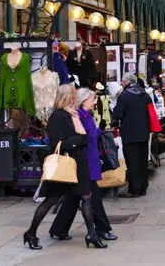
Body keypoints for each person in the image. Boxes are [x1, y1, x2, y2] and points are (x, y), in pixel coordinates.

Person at [23, 85, 106, 250]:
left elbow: (85, 136)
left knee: (86, 196)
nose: (75, 98)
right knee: (51, 200)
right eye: (72, 95)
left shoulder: (73, 114)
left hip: (79, 163)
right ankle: (31, 232)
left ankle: (92, 235)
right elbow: (57, 143)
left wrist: (77, 127)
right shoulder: (57, 117)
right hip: (65, 163)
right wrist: (77, 139)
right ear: (66, 97)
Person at [50, 88, 117, 242]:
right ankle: (102, 229)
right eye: (92, 99)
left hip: (90, 159)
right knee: (94, 197)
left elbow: (91, 135)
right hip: (83, 161)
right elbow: (80, 137)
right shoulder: (78, 116)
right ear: (84, 100)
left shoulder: (86, 116)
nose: (94, 102)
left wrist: (100, 130)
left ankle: (59, 229)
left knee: (74, 197)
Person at [112, 73, 151, 198]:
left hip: (130, 133)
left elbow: (118, 114)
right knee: (142, 160)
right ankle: (143, 185)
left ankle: (135, 188)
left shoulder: (124, 96)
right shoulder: (144, 94)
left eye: (122, 82)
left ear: (125, 82)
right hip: (144, 132)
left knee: (132, 160)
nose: (121, 84)